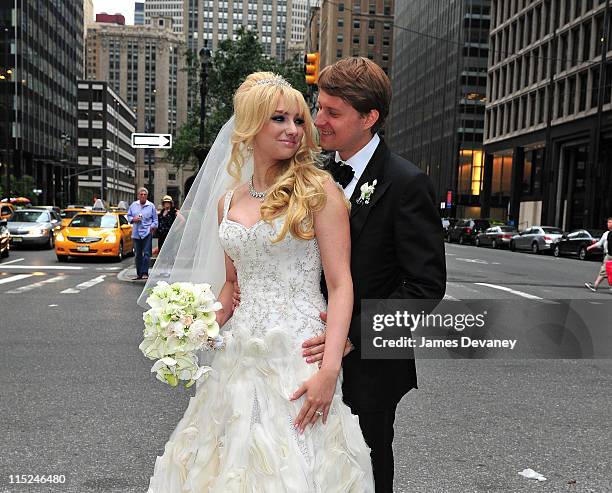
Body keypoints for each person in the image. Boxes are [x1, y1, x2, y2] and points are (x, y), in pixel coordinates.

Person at [145, 73, 374, 492]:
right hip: (238, 352)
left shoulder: (318, 190)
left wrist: (330, 369)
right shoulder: (227, 201)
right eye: (279, 119)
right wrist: (191, 326)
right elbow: (233, 286)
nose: (293, 130)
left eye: (298, 120)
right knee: (226, 457)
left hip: (297, 352)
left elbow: (341, 285)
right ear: (250, 126)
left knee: (294, 464)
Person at [301, 57, 447, 492]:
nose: (318, 120)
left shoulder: (407, 183)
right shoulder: (313, 176)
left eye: (332, 112)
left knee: (364, 467)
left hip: (368, 364)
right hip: (303, 348)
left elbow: (425, 286)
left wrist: (352, 334)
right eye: (319, 106)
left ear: (369, 118)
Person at [127, 188, 158, 280]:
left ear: (147, 196)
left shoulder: (151, 206)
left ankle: (145, 273)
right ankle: (139, 274)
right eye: (141, 194)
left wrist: (152, 227)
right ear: (138, 195)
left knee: (147, 254)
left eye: (145, 194)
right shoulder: (133, 205)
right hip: (136, 233)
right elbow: (128, 216)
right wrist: (133, 219)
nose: (143, 196)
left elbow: (155, 220)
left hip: (147, 233)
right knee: (137, 254)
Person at [584, 217, 612, 292]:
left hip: (609, 256)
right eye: (608, 222)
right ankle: (595, 285)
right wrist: (590, 247)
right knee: (604, 271)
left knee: (604, 271)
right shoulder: (607, 234)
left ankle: (595, 286)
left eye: (610, 222)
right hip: (608, 255)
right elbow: (599, 243)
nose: (608, 224)